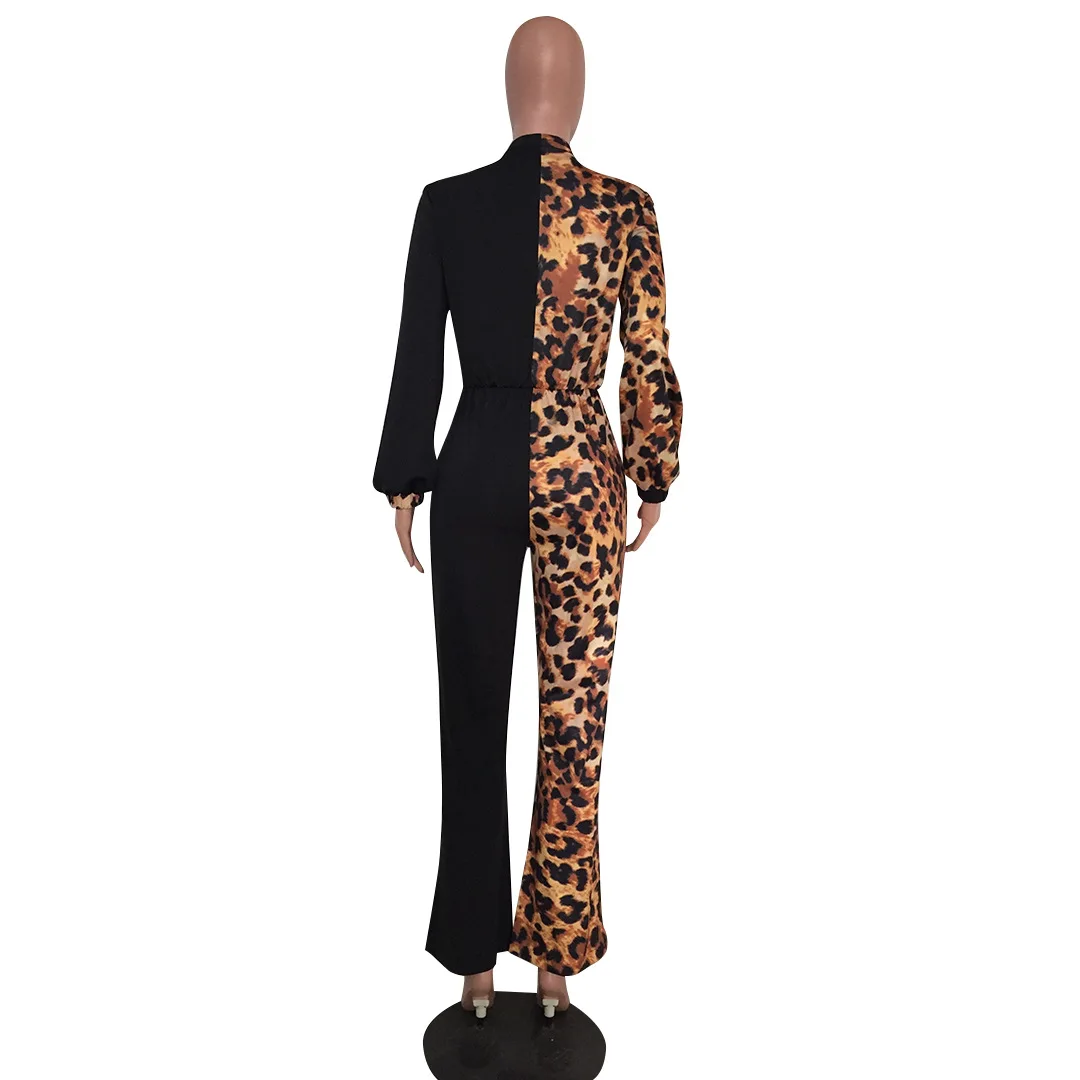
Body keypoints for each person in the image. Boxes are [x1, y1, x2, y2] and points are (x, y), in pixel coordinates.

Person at [372, 16, 682, 1018]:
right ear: (574, 95)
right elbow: (647, 355)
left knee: (469, 711)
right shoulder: (625, 209)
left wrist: (406, 478)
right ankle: (555, 959)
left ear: (512, 92)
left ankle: (476, 965)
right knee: (573, 719)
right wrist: (653, 475)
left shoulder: (448, 204)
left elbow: (418, 353)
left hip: (473, 463)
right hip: (581, 469)